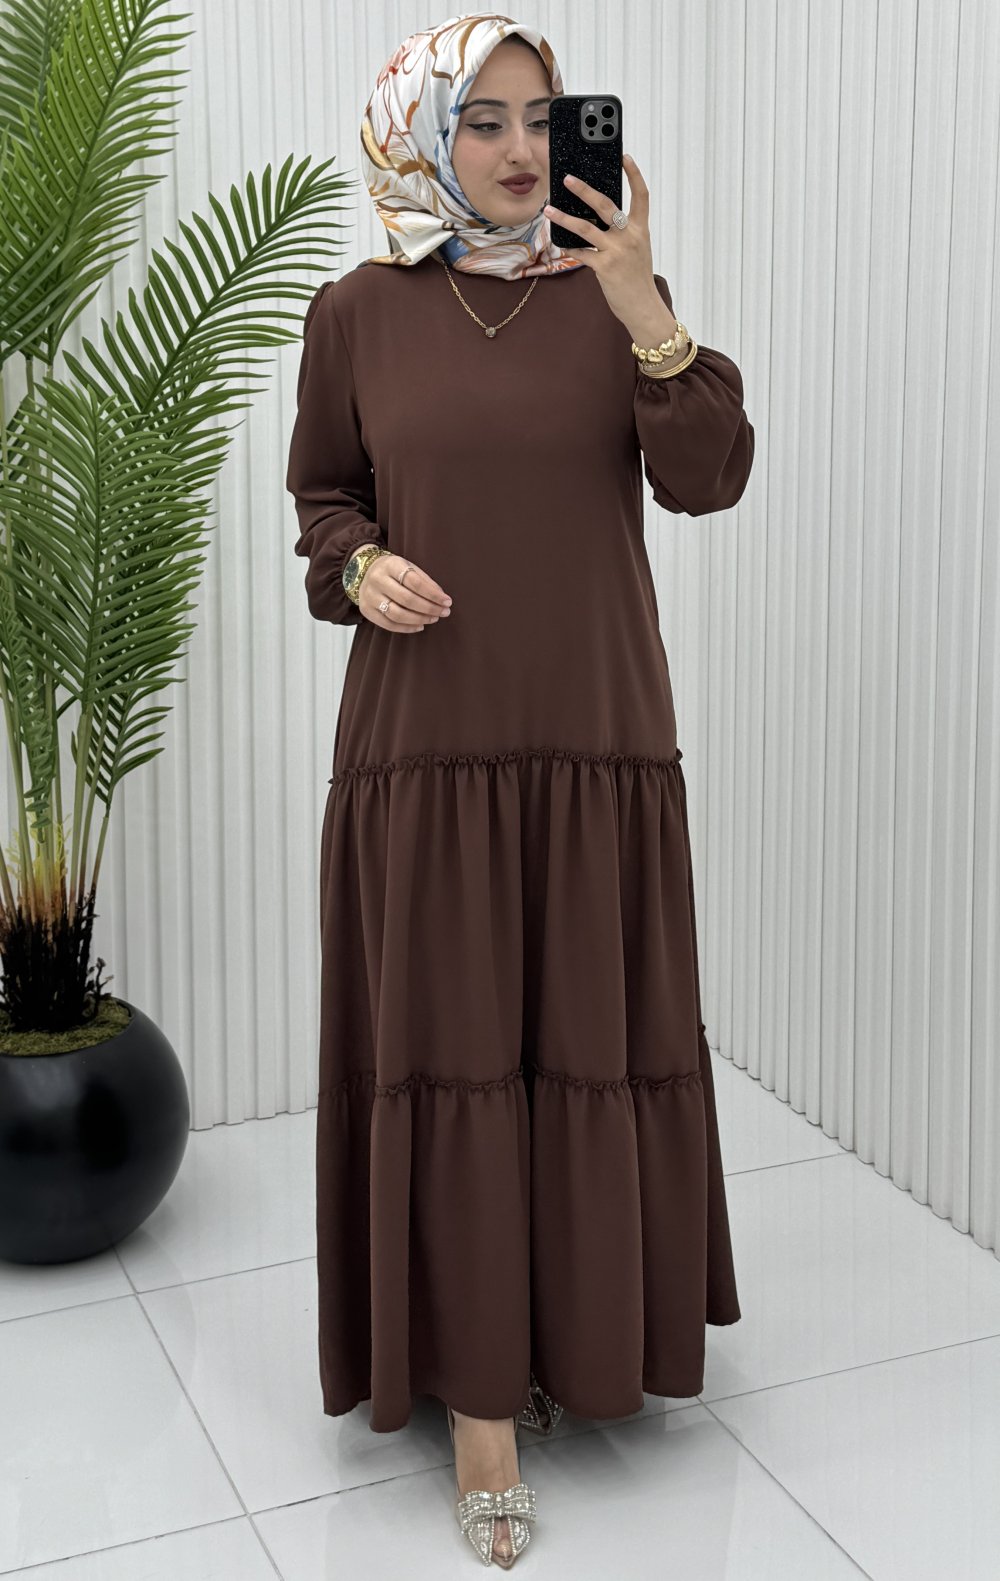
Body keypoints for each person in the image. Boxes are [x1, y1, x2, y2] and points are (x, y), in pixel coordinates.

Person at [285, 13, 755, 1569]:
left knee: (588, 1047)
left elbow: (707, 475)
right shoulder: (357, 310)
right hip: (429, 748)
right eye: (480, 120)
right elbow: (323, 499)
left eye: (541, 120)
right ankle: (480, 1402)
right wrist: (360, 565)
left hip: (597, 737)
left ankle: (588, 1334)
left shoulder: (614, 296)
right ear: (422, 134)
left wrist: (641, 305)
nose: (516, 150)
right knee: (457, 1055)